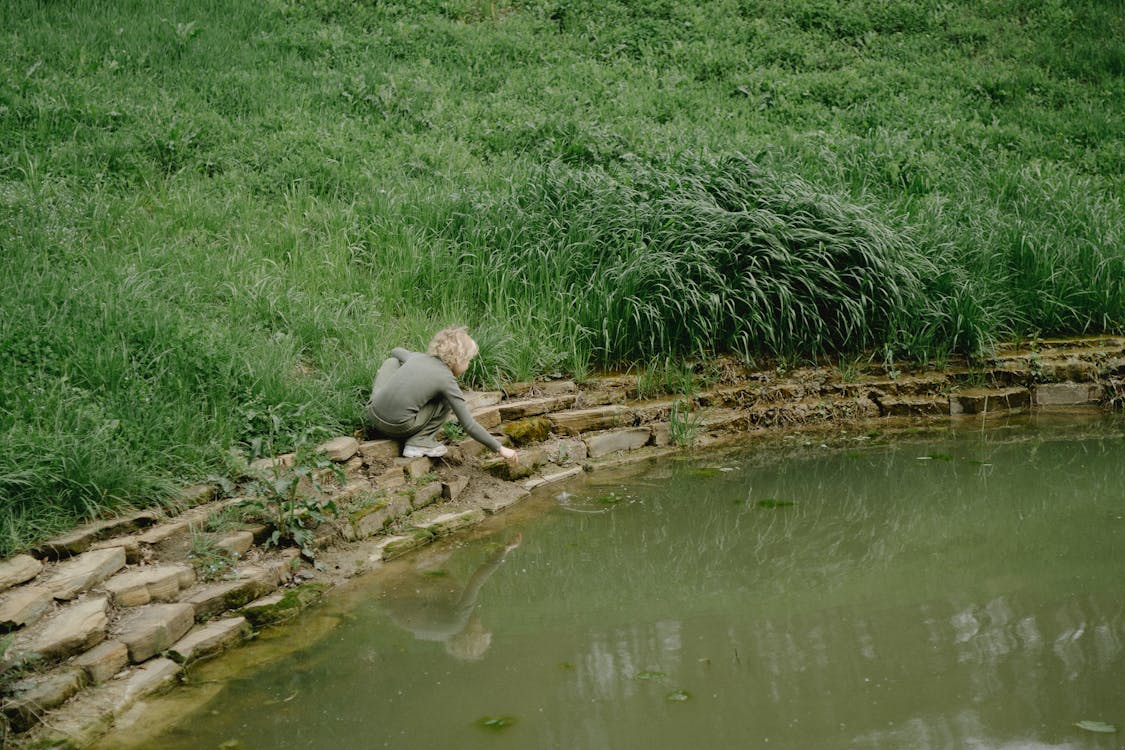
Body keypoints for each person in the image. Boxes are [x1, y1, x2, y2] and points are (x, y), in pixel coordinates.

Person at [365, 326, 519, 463]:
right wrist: (499, 448)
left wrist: (412, 362)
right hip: (398, 426)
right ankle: (419, 442)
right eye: (468, 361)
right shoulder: (447, 380)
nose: (468, 365)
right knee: (445, 399)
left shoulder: (417, 357)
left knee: (392, 362)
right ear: (457, 359)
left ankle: (383, 407)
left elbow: (396, 351)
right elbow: (469, 425)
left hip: (373, 414)